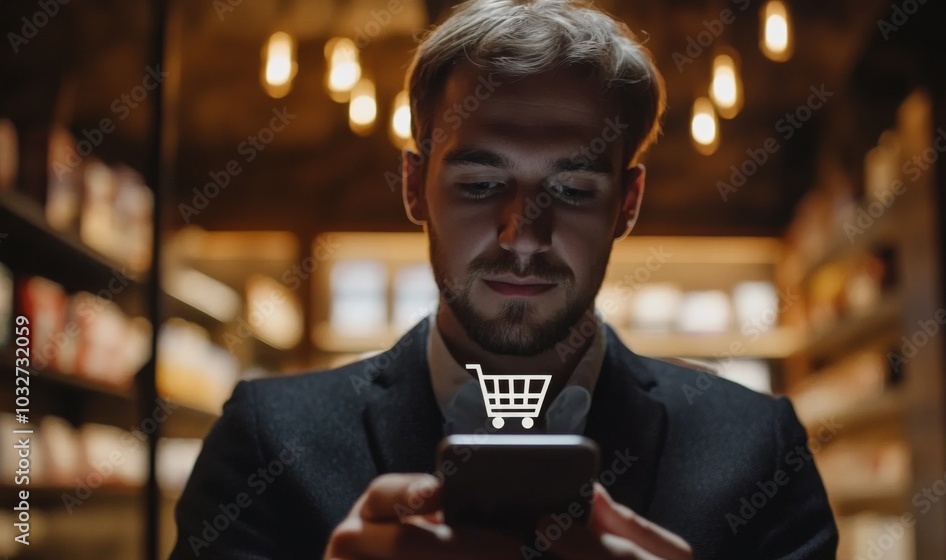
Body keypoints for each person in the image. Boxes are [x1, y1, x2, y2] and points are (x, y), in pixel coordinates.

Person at [170, 1, 838, 558]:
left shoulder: (758, 449)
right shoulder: (265, 442)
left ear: (626, 205)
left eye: (573, 188)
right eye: (483, 183)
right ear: (413, 187)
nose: (524, 234)